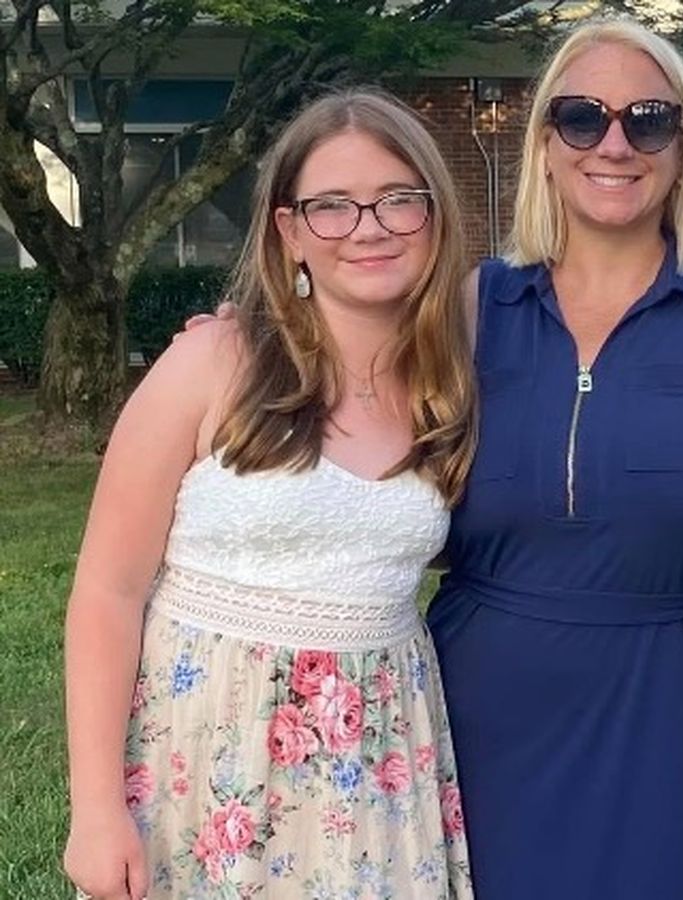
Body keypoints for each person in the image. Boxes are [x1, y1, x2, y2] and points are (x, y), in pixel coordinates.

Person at [62, 89, 474, 899]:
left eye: (399, 199)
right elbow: (108, 591)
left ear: (434, 215)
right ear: (289, 230)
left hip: (377, 769)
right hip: (205, 756)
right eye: (332, 205)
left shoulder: (452, 382)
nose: (369, 227)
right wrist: (96, 809)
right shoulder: (212, 361)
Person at [425, 18, 683, 900]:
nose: (613, 144)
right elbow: (347, 407)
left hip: (680, 714)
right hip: (487, 717)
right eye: (582, 117)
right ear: (544, 146)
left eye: (648, 120)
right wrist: (242, 343)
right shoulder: (475, 305)